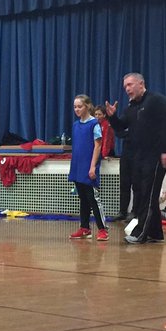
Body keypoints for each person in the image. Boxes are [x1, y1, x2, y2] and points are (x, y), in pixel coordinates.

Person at [105, 72, 166, 244]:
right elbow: (121, 128)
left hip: (155, 156)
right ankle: (156, 233)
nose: (127, 89)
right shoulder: (131, 108)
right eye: (125, 86)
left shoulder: (156, 101)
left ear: (141, 83)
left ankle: (139, 233)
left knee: (147, 196)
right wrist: (112, 117)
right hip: (138, 157)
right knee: (143, 194)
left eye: (130, 85)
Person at [68, 95, 108, 240]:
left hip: (89, 167)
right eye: (75, 107)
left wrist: (92, 167)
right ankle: (84, 228)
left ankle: (103, 229)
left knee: (93, 199)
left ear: (87, 106)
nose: (77, 109)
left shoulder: (94, 124)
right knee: (83, 198)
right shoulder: (75, 125)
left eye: (80, 106)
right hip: (77, 166)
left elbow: (98, 146)